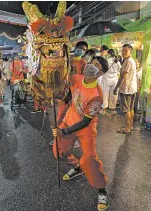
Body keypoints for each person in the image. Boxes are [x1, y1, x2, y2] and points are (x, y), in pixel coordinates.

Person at [52, 56, 110, 211]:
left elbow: (85, 121)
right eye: (93, 62)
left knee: (89, 159)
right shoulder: (77, 79)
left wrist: (63, 131)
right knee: (59, 151)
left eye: (96, 66)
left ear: (100, 74)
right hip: (69, 120)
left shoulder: (97, 95)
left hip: (85, 128)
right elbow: (69, 92)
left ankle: (101, 188)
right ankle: (77, 167)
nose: (91, 65)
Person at [114, 44, 137, 135]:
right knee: (130, 108)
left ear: (130, 51)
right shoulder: (130, 60)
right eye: (122, 50)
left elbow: (123, 76)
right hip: (131, 88)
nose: (123, 52)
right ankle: (130, 126)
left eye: (126, 51)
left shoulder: (128, 61)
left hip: (126, 89)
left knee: (126, 109)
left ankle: (127, 129)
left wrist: (116, 87)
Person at [100, 49, 121, 115]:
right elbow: (120, 69)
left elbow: (103, 69)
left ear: (109, 54)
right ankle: (112, 109)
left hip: (106, 79)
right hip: (114, 79)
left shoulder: (107, 61)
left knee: (105, 94)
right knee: (114, 95)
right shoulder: (117, 61)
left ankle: (104, 110)